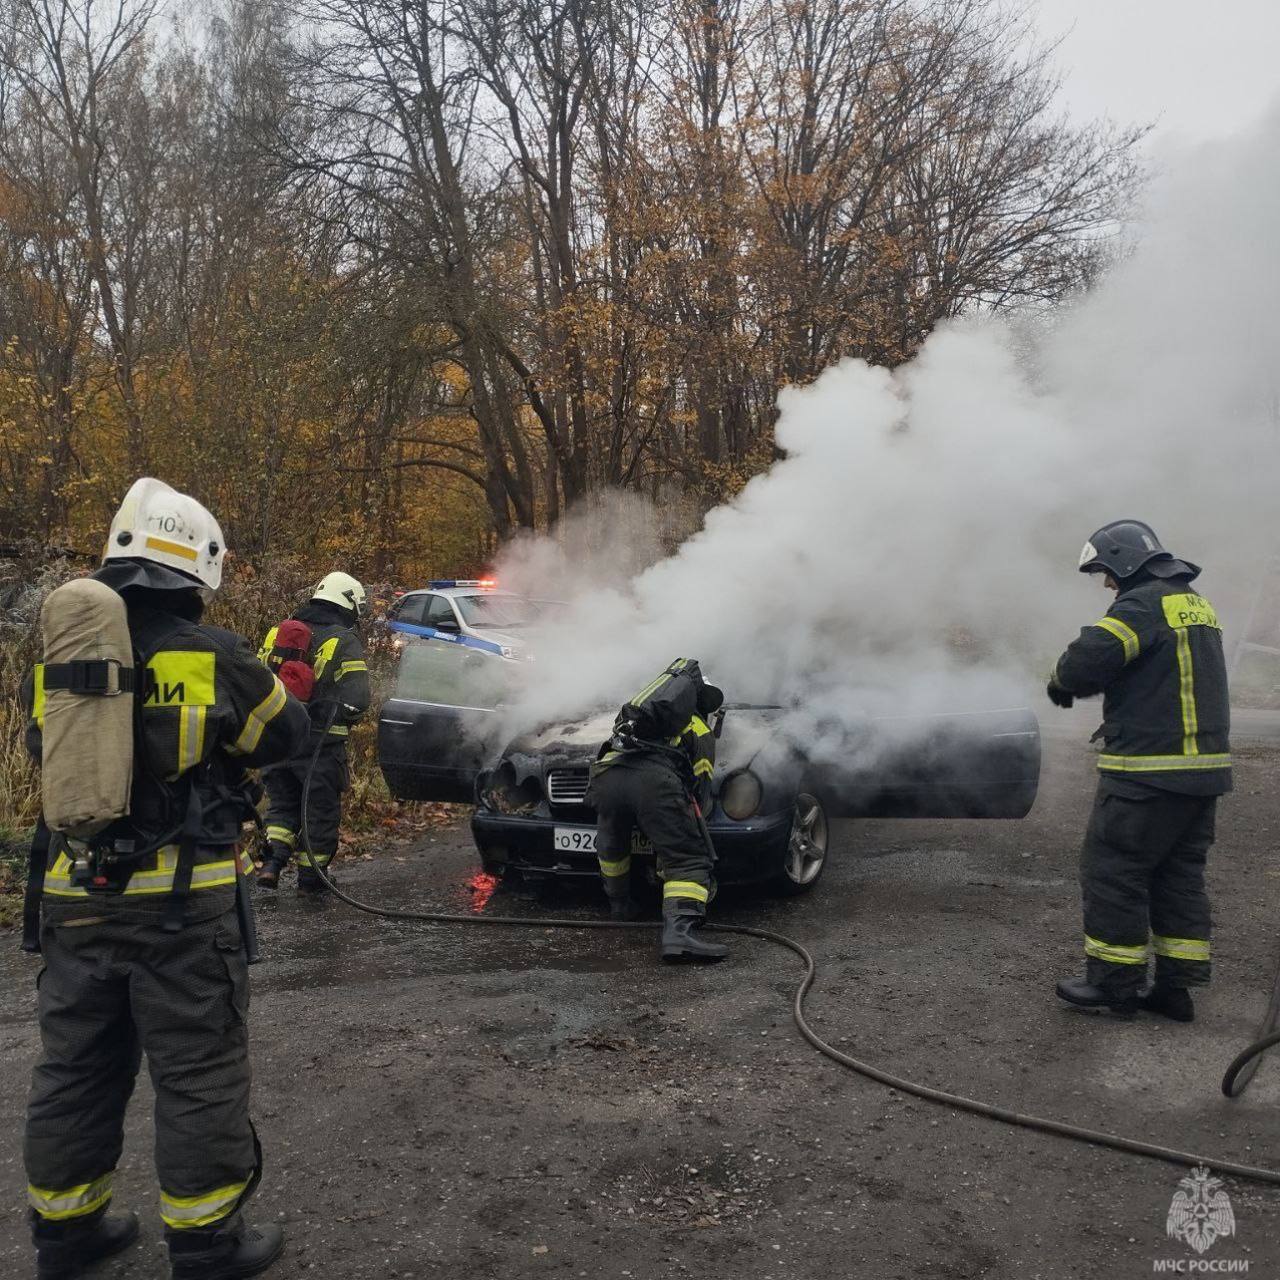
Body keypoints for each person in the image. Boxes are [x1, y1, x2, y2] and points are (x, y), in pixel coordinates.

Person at [22, 478, 309, 1279]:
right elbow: (288, 736)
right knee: (198, 1070)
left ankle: (67, 1236)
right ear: (195, 570)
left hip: (74, 900)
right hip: (184, 913)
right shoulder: (214, 657)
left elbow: (46, 756)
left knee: (75, 1067)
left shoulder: (58, 659)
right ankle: (206, 1245)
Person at [1047, 519, 1231, 1022]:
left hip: (1148, 773)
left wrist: (1060, 681)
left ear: (1126, 560)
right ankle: (1176, 989)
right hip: (1203, 773)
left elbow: (1086, 660)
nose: (1107, 583)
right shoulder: (1194, 602)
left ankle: (1113, 985)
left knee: (1114, 871)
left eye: (1107, 571)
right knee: (1178, 877)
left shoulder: (1141, 604)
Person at [588, 658, 728, 962]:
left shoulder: (640, 715)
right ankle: (680, 936)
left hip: (605, 776)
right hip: (653, 783)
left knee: (613, 843)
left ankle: (621, 907)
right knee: (688, 857)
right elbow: (699, 784)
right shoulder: (698, 726)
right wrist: (685, 826)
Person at [255, 573, 371, 892]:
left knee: (282, 806)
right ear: (347, 603)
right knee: (319, 812)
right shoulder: (343, 641)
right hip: (322, 747)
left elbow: (257, 680)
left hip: (278, 741)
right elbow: (359, 699)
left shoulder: (277, 633)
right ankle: (312, 877)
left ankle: (271, 865)